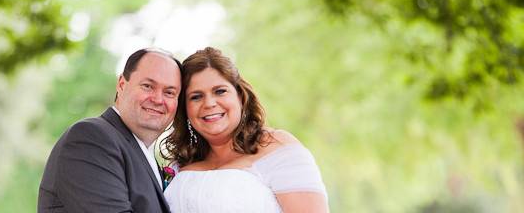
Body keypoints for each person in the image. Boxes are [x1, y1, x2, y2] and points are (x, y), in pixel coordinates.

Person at [162, 47, 329, 213]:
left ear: (240, 97)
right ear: (185, 108)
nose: (209, 103)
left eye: (220, 91)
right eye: (196, 97)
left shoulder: (277, 147)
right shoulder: (182, 161)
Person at [38, 48, 182, 213]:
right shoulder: (90, 139)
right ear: (121, 84)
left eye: (169, 92)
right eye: (148, 86)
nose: (158, 99)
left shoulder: (142, 154)